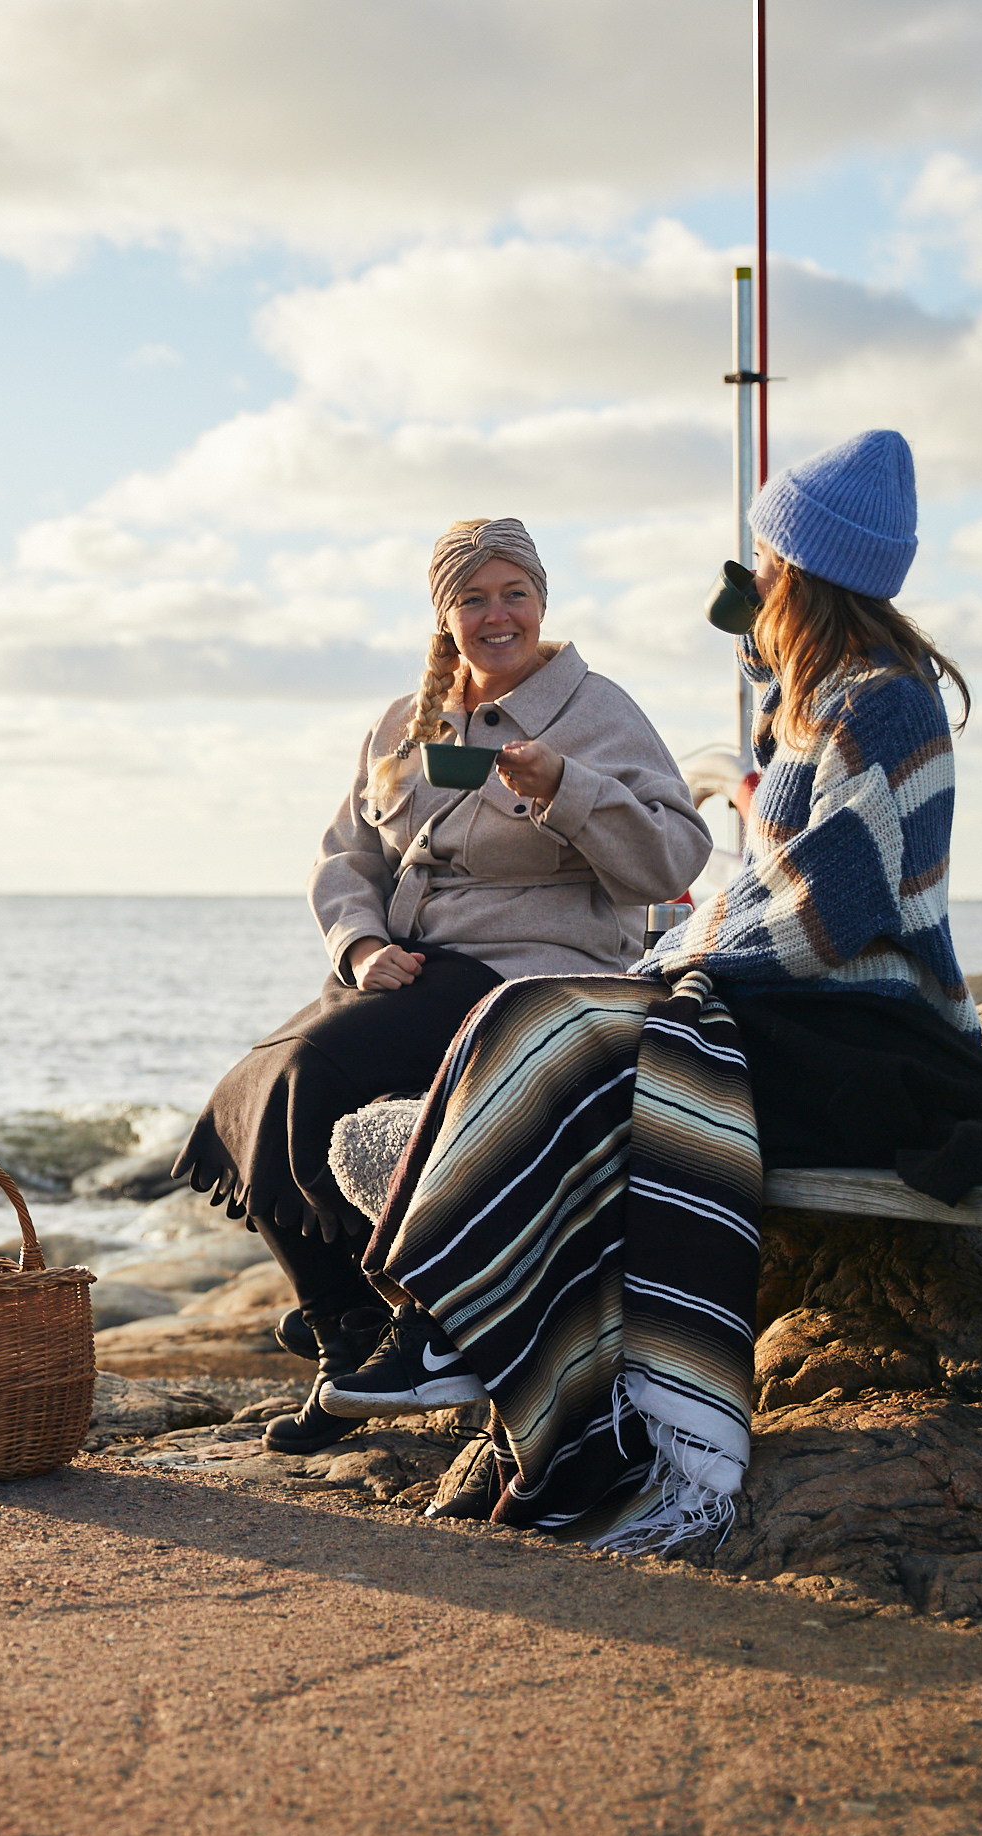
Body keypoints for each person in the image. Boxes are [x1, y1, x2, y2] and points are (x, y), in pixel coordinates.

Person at [318, 430, 982, 1549]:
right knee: (540, 1017)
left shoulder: (881, 703)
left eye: (766, 562)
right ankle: (459, 1316)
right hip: (797, 1017)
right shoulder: (815, 698)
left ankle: (464, 1323)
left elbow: (833, 916)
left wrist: (676, 963)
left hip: (874, 1036)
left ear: (806, 577)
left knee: (562, 1018)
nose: (751, 583)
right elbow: (771, 893)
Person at [173, 516, 710, 1456]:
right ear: (443, 613)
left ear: (542, 600)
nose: (496, 614)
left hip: (530, 975)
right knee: (243, 1096)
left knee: (307, 1067)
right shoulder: (401, 721)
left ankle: (390, 1331)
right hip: (410, 972)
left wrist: (567, 788)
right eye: (472, 597)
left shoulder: (599, 711)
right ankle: (350, 1336)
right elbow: (344, 857)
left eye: (514, 593)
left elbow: (672, 858)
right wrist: (360, 946)